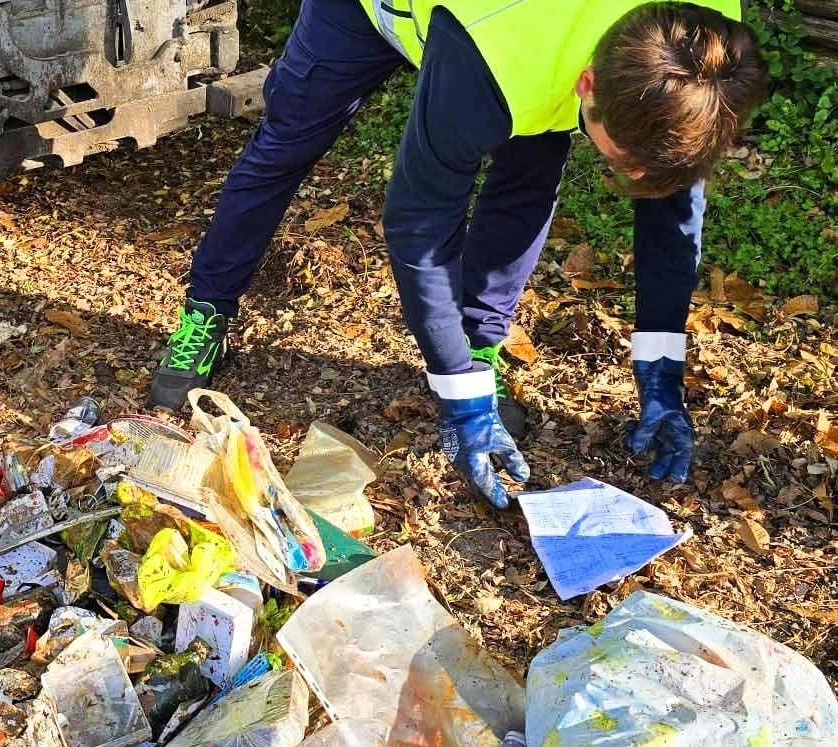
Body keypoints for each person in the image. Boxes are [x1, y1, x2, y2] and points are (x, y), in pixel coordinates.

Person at [149, 0, 765, 508]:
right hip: (397, 14)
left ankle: (479, 350)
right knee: (287, 141)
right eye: (613, 155)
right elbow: (420, 221)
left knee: (528, 174)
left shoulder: (702, 49)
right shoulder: (497, 51)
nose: (618, 172)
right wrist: (460, 400)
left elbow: (673, 215)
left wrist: (662, 379)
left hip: (534, 41)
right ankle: (206, 310)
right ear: (589, 82)